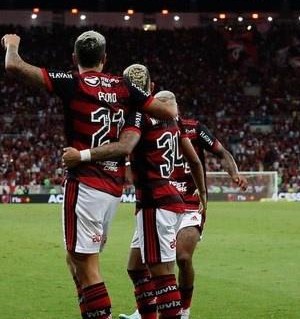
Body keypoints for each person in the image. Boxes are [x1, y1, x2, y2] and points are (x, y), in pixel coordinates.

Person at [1, 32, 178, 319]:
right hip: (111, 188)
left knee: (87, 267)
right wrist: (138, 102)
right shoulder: (123, 88)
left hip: (84, 184)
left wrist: (11, 44)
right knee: (76, 261)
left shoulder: (72, 82)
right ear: (105, 59)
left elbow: (14, 66)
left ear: (74, 59)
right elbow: (166, 111)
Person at [63, 64, 207, 319]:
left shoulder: (138, 115)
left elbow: (124, 145)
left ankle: (178, 314)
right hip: (167, 198)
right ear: (151, 88)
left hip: (155, 201)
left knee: (162, 274)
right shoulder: (172, 118)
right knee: (136, 267)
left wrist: (83, 155)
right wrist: (203, 195)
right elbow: (195, 160)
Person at [120, 114, 248, 319]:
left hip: (189, 203)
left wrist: (234, 173)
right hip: (159, 202)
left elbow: (222, 153)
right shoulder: (147, 126)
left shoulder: (193, 128)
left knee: (182, 256)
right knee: (136, 265)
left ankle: (183, 310)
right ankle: (148, 309)